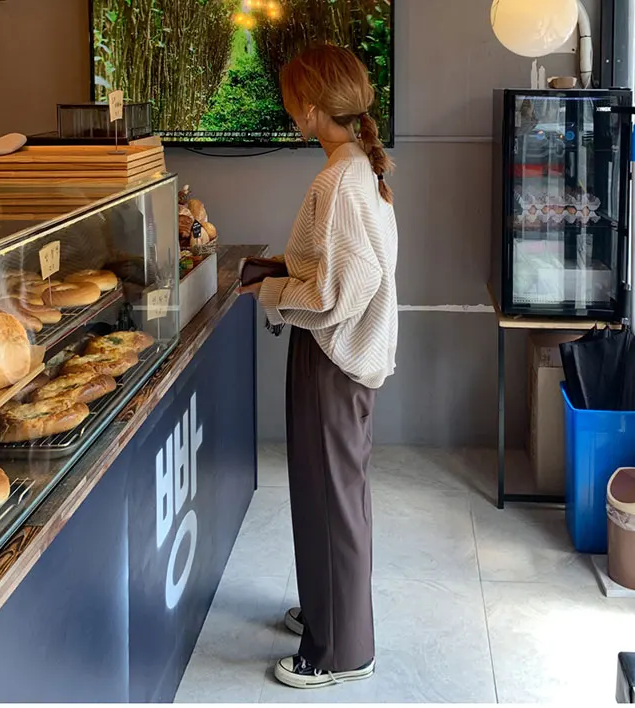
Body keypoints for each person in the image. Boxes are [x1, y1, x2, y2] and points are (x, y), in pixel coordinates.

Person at [237, 45, 398, 689]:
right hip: (338, 354)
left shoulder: (338, 179)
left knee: (330, 498)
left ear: (308, 109)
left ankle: (341, 652)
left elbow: (344, 288)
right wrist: (281, 272)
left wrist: (274, 291)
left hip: (333, 356)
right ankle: (329, 609)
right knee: (326, 491)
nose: (288, 111)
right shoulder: (358, 167)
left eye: (289, 101)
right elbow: (343, 268)